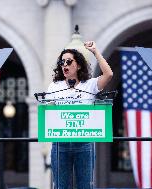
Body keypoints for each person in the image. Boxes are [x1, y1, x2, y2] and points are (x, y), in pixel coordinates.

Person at [46, 30, 113, 189]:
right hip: (60, 144)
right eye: (62, 63)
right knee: (61, 186)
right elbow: (49, 114)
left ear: (79, 64)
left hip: (84, 144)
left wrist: (95, 52)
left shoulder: (89, 84)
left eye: (69, 61)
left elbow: (109, 74)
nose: (65, 65)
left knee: (85, 186)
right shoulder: (54, 86)